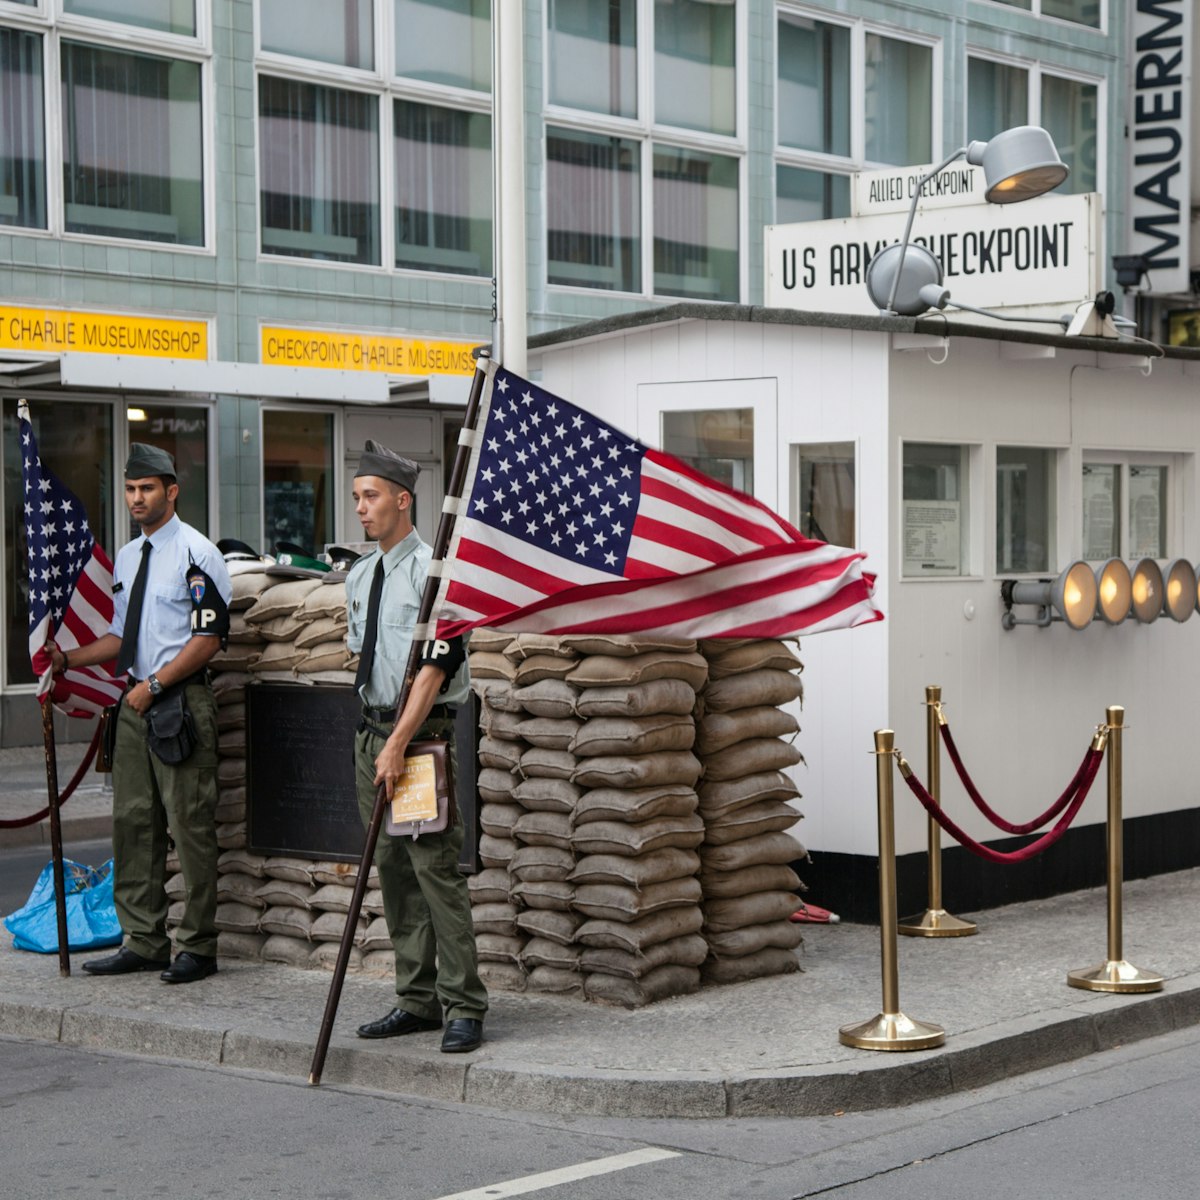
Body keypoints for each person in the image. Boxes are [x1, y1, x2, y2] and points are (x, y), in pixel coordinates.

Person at [48, 444, 232, 984]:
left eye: (147, 488)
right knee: (133, 823)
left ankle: (197, 946)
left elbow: (209, 639)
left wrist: (155, 685)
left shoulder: (197, 554)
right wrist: (67, 659)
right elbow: (119, 636)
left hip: (178, 701)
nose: (136, 498)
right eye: (130, 489)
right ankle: (144, 939)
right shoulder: (128, 558)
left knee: (188, 824)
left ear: (171, 491)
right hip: (133, 703)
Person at [346, 440, 487, 1053]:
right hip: (371, 737)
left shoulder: (436, 576)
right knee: (395, 874)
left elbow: (433, 670)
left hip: (418, 743)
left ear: (403, 500)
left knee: (435, 874)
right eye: (356, 497)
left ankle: (463, 1005)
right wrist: (378, 741)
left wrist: (399, 742)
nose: (360, 508)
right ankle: (417, 998)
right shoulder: (358, 574)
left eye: (370, 496)